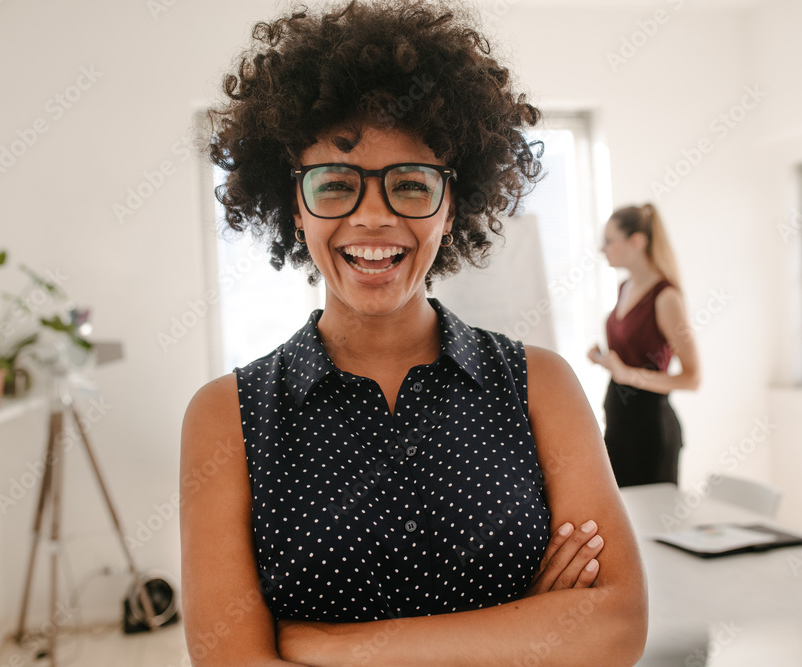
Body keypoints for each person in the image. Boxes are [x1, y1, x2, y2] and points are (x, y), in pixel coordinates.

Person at [180, 2, 647, 665]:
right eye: (337, 184)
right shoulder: (224, 418)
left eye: (410, 183)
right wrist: (524, 631)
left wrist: (334, 647)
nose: (373, 217)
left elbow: (615, 626)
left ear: (450, 202)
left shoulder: (540, 385)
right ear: (295, 204)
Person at [587, 203, 701, 488]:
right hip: (619, 424)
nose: (603, 249)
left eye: (609, 241)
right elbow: (630, 359)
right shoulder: (624, 288)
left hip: (650, 432)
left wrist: (627, 374)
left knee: (648, 523)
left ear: (636, 241)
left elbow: (692, 378)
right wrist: (605, 360)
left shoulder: (666, 298)